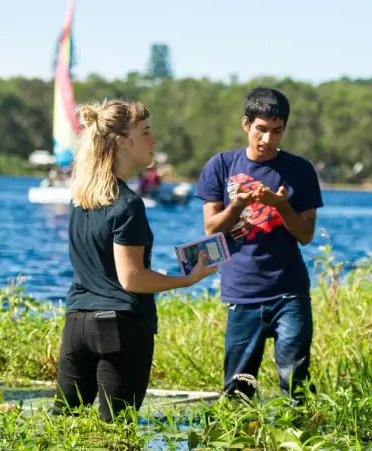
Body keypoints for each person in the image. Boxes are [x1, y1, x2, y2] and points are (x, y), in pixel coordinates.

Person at [55, 98, 216, 422]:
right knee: (117, 433)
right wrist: (188, 279)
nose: (153, 139)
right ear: (123, 142)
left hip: (77, 324)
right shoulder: (127, 204)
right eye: (145, 132)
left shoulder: (79, 198)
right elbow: (132, 279)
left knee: (63, 423)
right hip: (120, 325)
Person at [195, 87, 324, 405]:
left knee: (295, 379)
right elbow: (211, 228)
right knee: (238, 388)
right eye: (261, 129)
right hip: (242, 291)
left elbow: (305, 235)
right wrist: (237, 205)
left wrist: (280, 205)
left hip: (288, 291)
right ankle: (240, 448)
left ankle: (298, 436)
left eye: (276, 131)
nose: (268, 139)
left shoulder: (301, 170)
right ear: (246, 124)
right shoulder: (221, 165)